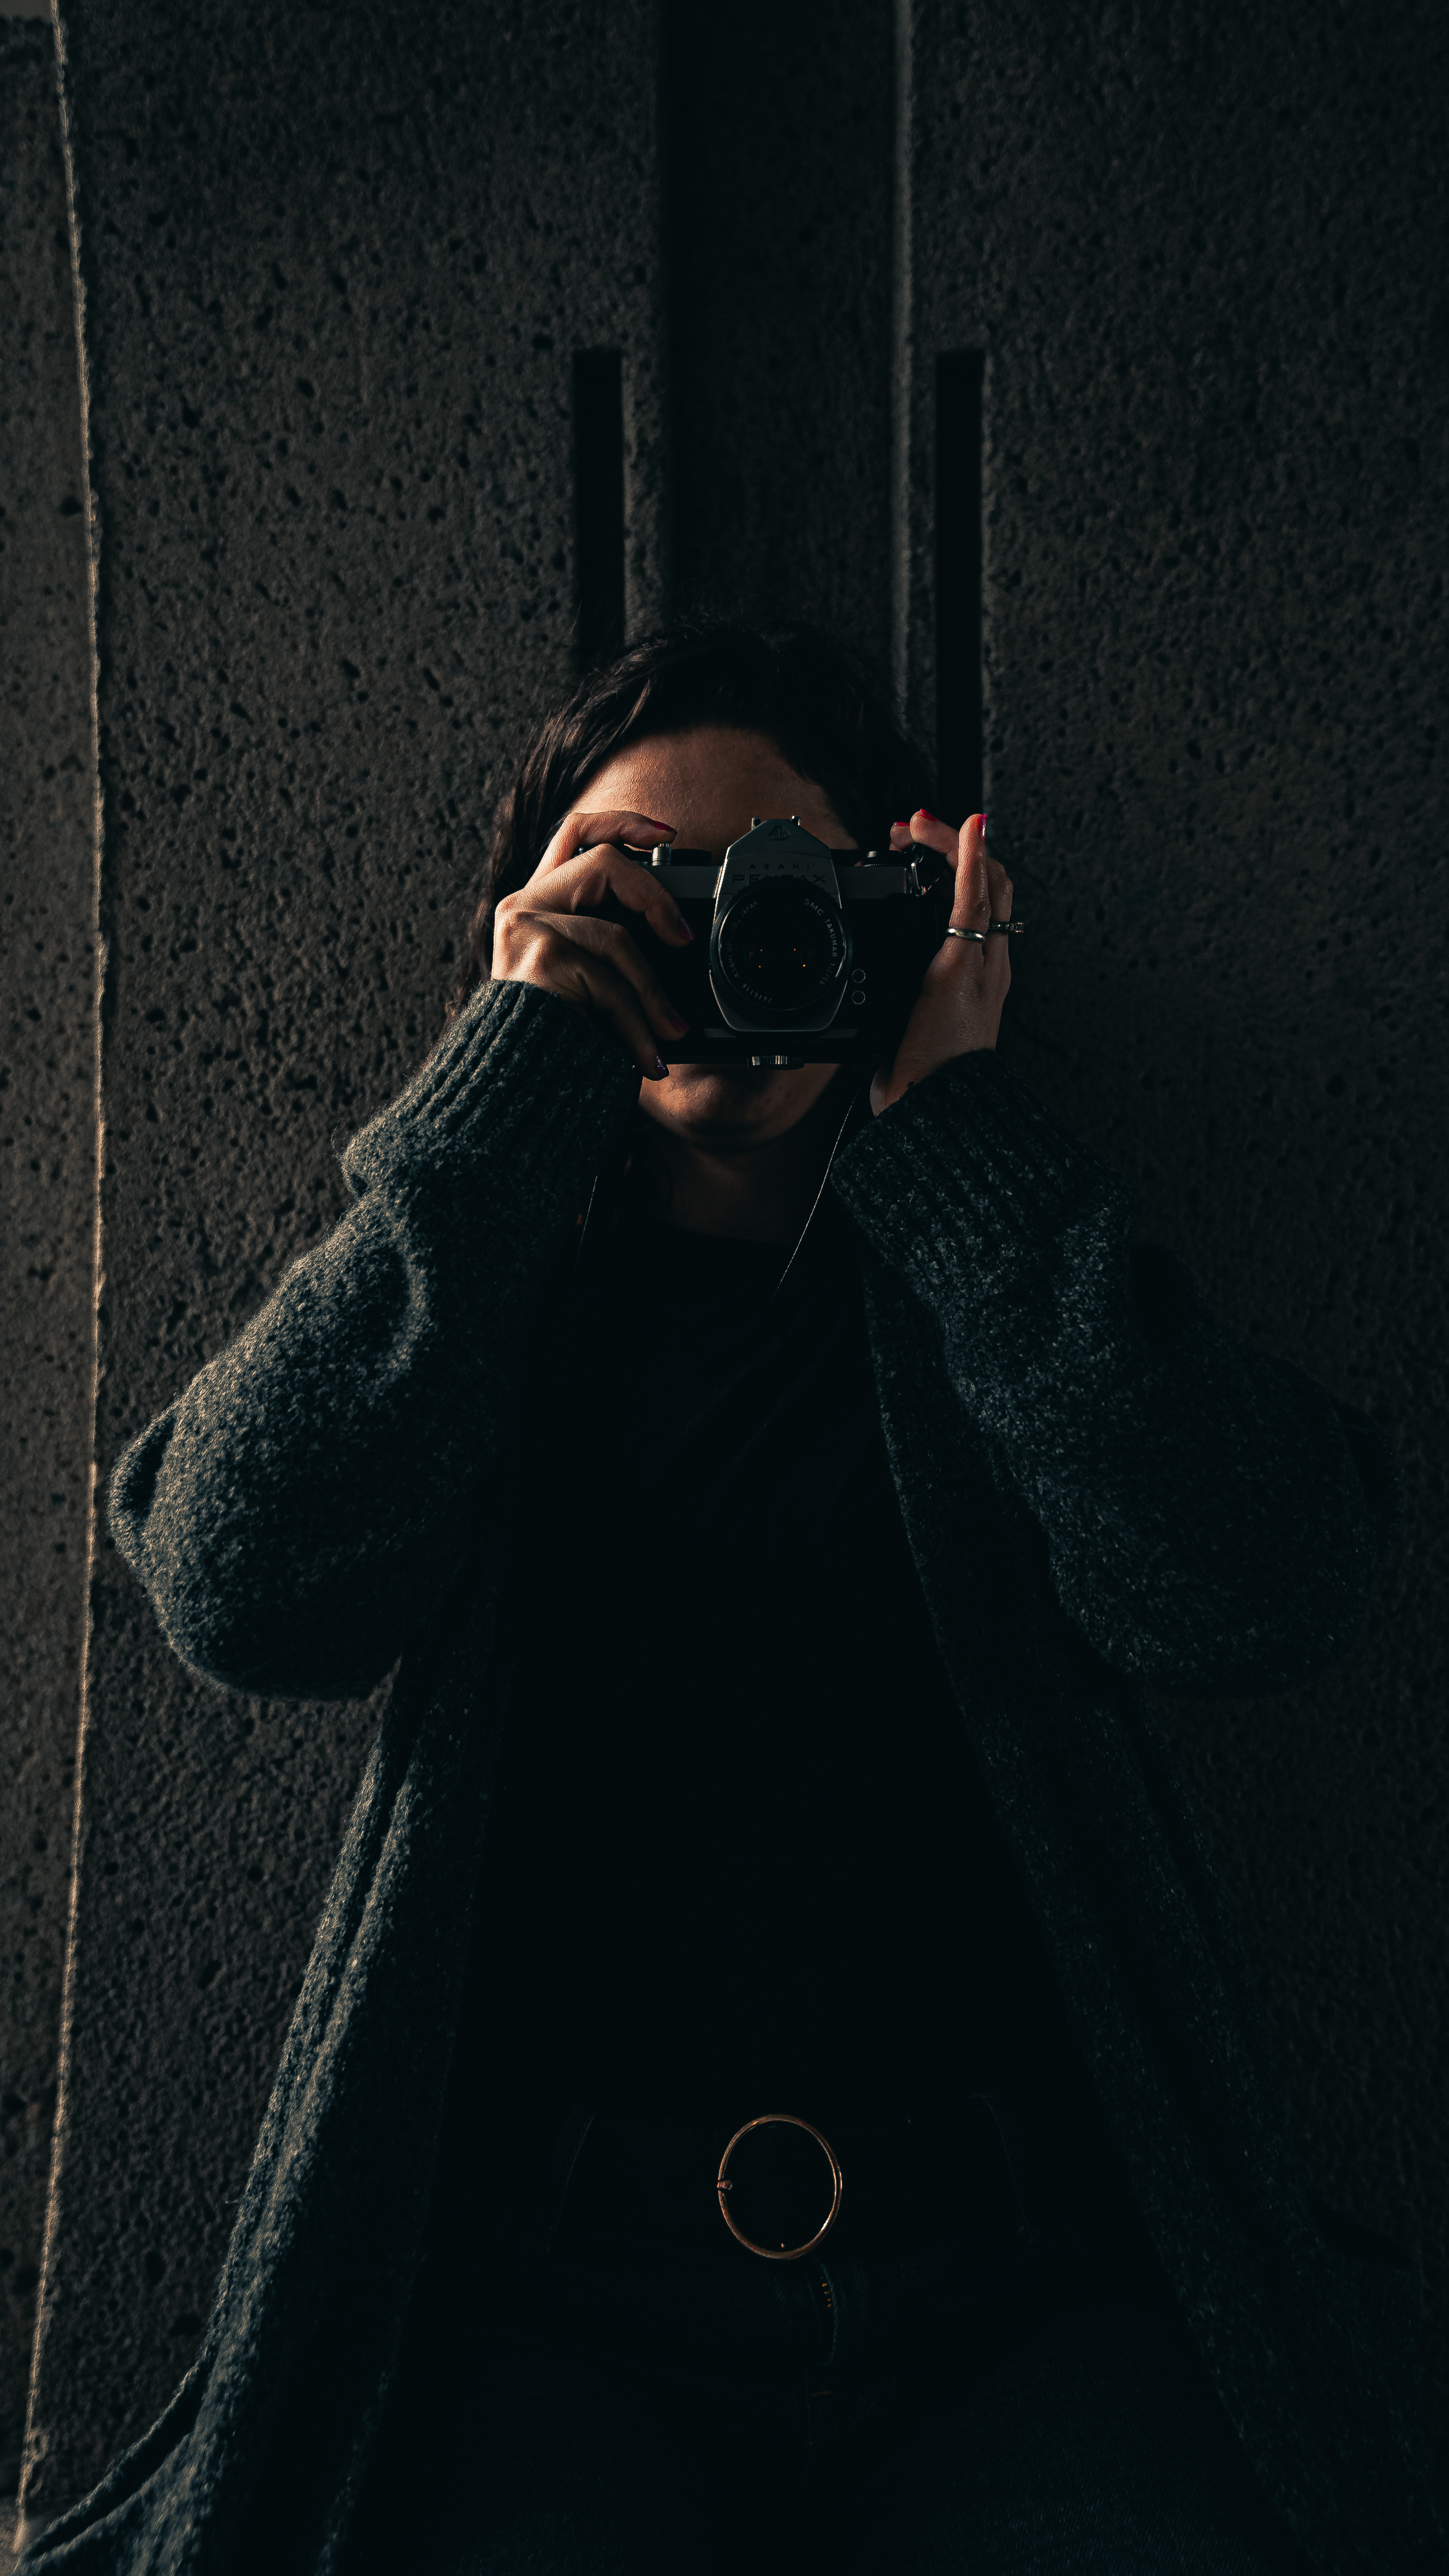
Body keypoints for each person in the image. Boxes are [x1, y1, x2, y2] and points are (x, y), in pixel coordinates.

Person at [24, 622, 1442, 2575]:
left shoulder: (995, 1285)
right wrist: (511, 1092)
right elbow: (239, 1591)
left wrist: (958, 1140)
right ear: (532, 924)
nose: (709, 949)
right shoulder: (481, 1321)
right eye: (637, 891)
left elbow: (1263, 1589)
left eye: (782, 890)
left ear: (906, 910)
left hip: (1028, 2305)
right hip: (551, 2315)